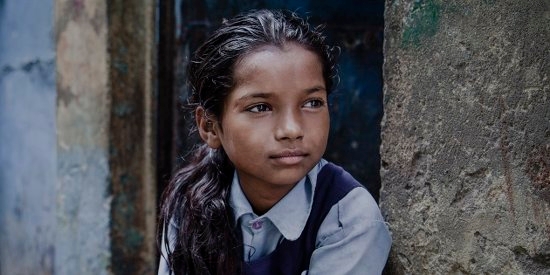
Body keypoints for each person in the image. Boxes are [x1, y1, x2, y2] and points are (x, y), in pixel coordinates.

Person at [158, 9, 391, 275]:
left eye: (312, 103)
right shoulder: (191, 200)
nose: (291, 130)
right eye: (260, 107)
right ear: (210, 126)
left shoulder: (350, 221)